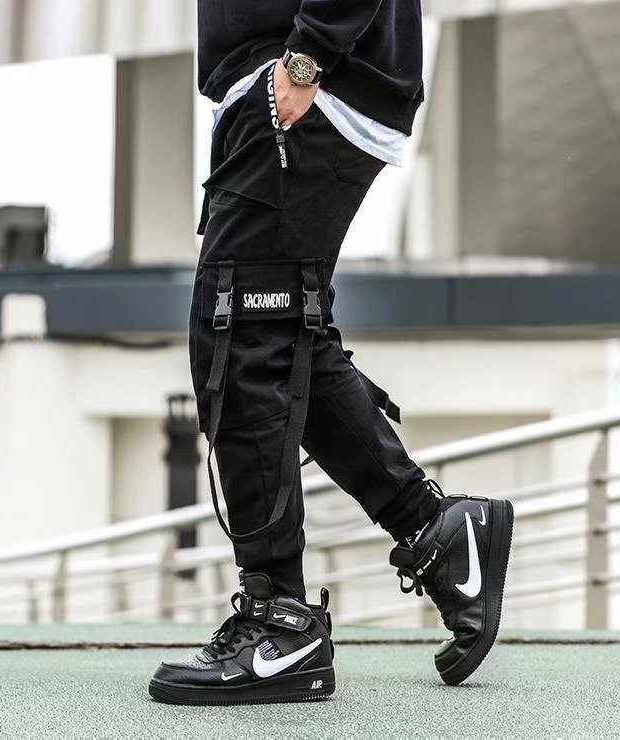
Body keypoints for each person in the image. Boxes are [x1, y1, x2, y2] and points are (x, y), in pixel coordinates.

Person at [149, 0, 514, 705]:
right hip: (287, 87)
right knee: (278, 338)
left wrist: (307, 59)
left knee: (244, 340)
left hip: (309, 83)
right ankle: (437, 531)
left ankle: (279, 621)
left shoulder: (303, 70)